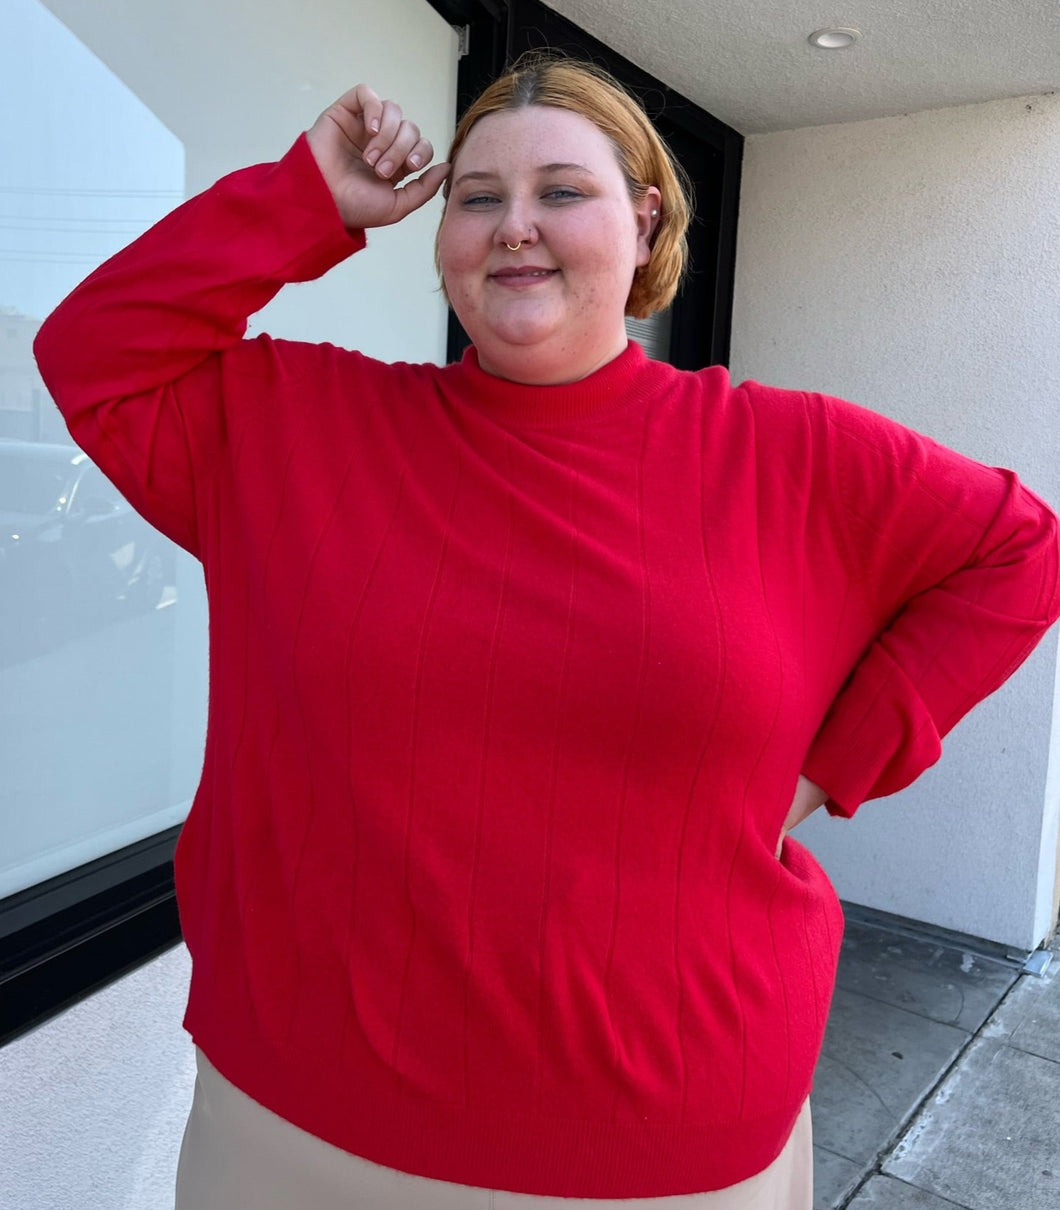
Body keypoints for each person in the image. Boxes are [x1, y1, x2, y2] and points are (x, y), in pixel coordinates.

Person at [33, 55, 1060, 1210]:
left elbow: (1022, 552)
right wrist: (303, 201)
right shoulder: (298, 430)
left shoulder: (790, 456)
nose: (513, 227)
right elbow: (93, 355)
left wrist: (829, 769)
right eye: (478, 197)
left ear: (645, 216)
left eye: (561, 191)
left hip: (664, 1144)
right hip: (297, 1128)